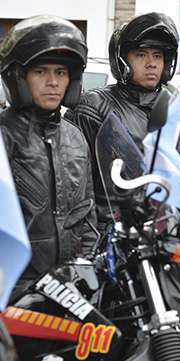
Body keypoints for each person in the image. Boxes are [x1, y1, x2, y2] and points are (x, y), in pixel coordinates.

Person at [69, 13, 180, 224]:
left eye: (157, 55)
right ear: (121, 59)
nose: (151, 63)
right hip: (114, 236)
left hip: (166, 236)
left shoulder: (178, 112)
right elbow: (76, 184)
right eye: (141, 54)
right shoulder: (95, 106)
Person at [0, 15, 96, 292]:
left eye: (61, 73)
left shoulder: (76, 138)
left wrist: (86, 271)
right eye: (41, 72)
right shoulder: (3, 136)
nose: (53, 82)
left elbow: (87, 215)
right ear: (18, 77)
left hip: (69, 287)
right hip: (14, 291)